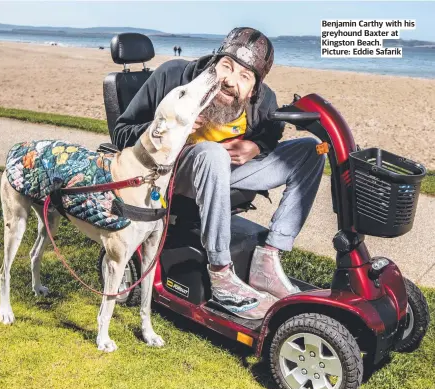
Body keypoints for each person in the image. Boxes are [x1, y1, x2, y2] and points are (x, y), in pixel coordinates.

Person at [113, 27, 325, 319]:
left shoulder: (263, 101)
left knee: (312, 150)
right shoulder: (173, 76)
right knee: (212, 154)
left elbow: (271, 134)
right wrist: (172, 128)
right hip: (172, 174)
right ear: (215, 62)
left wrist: (256, 146)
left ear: (254, 88)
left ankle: (268, 258)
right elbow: (121, 132)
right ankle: (221, 273)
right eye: (227, 66)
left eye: (244, 77)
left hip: (226, 172)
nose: (230, 81)